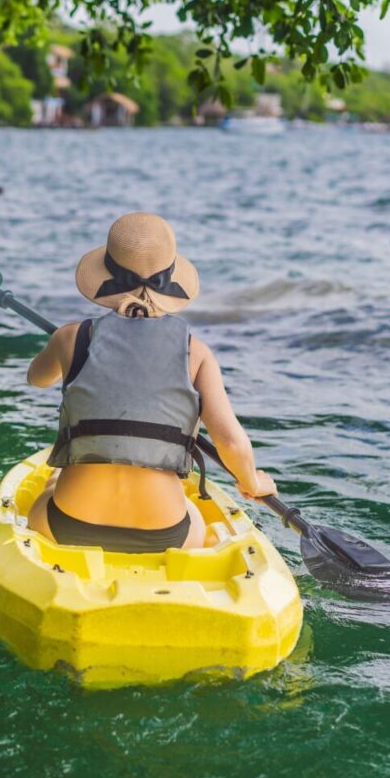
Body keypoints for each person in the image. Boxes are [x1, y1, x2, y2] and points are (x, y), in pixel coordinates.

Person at [26, 212, 276, 552]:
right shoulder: (196, 353)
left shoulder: (71, 338)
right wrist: (253, 482)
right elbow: (231, 442)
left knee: (49, 485)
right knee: (196, 514)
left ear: (105, 276)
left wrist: (64, 349)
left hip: (69, 524)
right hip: (165, 534)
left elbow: (37, 379)